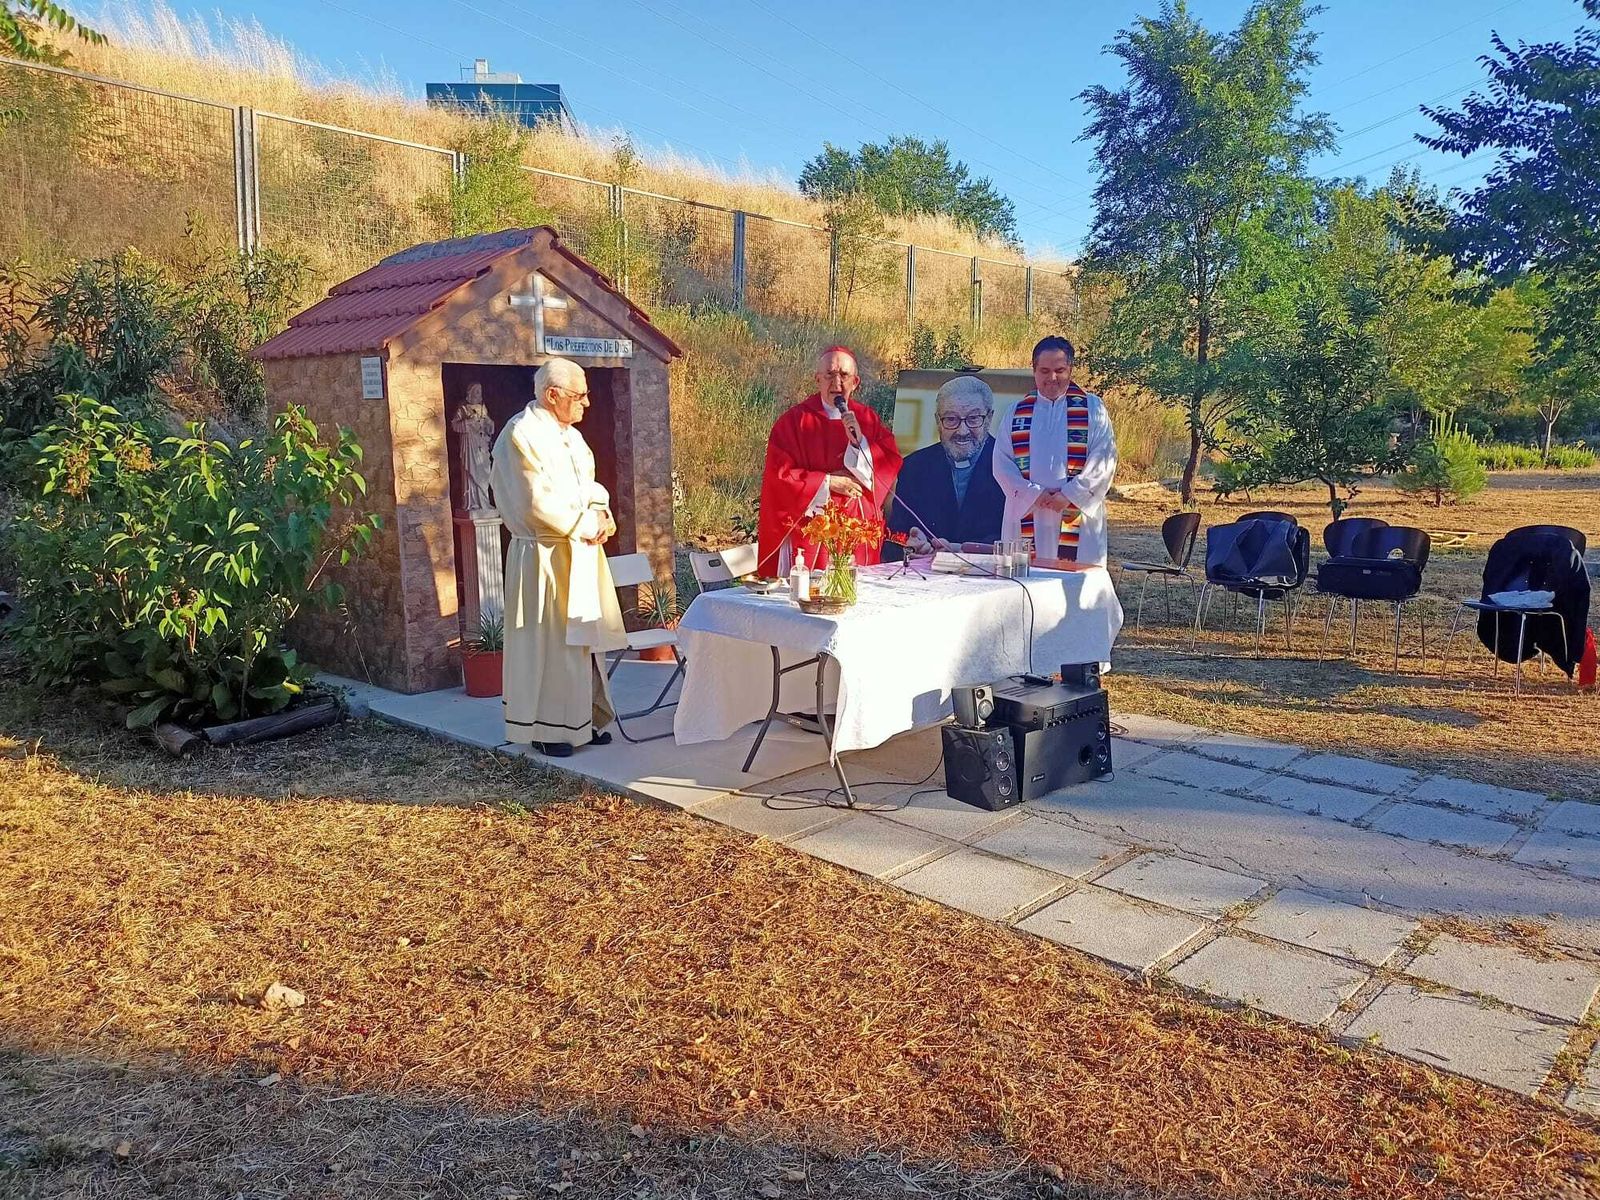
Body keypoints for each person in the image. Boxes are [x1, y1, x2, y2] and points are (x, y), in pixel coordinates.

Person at [489, 358, 628, 757]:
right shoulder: (522, 435)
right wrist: (587, 522)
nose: (587, 402)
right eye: (579, 395)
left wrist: (601, 514)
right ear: (553, 396)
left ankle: (585, 719)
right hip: (544, 556)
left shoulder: (570, 437)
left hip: (578, 550)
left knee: (583, 642)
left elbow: (590, 485)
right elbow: (537, 503)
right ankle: (550, 729)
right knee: (550, 644)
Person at [756, 345, 902, 575]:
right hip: (814, 528)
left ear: (855, 382)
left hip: (856, 527)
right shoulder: (793, 422)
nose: (837, 383)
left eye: (844, 375)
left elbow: (889, 463)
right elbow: (779, 476)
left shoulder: (867, 419)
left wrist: (859, 443)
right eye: (829, 375)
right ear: (818, 380)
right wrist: (827, 482)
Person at [993, 335, 1118, 566]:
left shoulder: (1092, 408)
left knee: (1071, 586)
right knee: (1026, 587)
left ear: (1070, 369)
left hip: (1075, 515)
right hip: (1028, 511)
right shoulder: (1016, 412)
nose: (1052, 378)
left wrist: (1069, 495)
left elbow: (1104, 459)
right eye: (1044, 370)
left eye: (1059, 370)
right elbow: (1001, 462)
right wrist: (1033, 494)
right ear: (1034, 370)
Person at [886, 374, 1006, 556]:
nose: (962, 430)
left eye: (973, 418)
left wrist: (962, 550)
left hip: (992, 577)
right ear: (937, 421)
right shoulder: (914, 467)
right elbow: (896, 537)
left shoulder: (1009, 466)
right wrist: (911, 546)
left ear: (989, 418)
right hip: (926, 576)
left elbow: (1017, 540)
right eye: (951, 419)